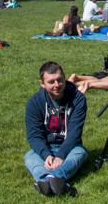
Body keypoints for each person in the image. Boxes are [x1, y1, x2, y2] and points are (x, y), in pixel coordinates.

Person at [24, 61, 87, 196]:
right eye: (51, 82)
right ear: (42, 84)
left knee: (80, 153)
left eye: (59, 80)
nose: (56, 85)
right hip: (46, 146)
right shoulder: (34, 102)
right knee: (29, 156)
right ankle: (57, 182)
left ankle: (46, 179)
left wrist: (61, 155)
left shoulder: (78, 99)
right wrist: (45, 154)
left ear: (64, 78)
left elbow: (75, 132)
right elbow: (34, 135)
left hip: (70, 147)